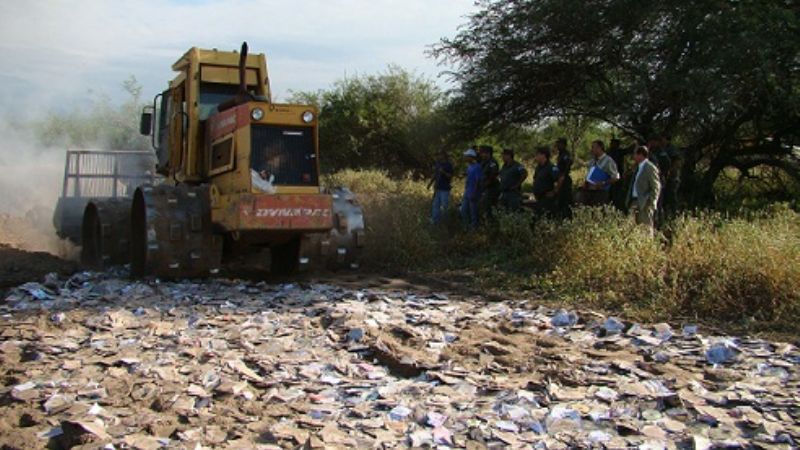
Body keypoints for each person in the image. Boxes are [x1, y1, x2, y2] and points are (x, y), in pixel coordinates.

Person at [627, 145, 661, 234]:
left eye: (635, 154)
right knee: (632, 227)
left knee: (645, 227)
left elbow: (656, 186)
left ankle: (648, 246)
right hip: (634, 201)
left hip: (645, 202)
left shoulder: (650, 167)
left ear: (641, 155)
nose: (633, 156)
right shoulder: (638, 167)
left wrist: (651, 202)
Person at [579, 140, 620, 206]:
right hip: (589, 192)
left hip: (601, 193)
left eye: (593, 147)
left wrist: (603, 183)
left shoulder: (608, 161)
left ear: (599, 148)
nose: (591, 149)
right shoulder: (593, 161)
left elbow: (616, 177)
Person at [531, 146, 559, 217]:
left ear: (543, 155)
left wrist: (554, 192)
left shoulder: (551, 167)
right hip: (538, 197)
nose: (536, 156)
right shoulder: (538, 167)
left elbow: (558, 180)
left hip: (547, 198)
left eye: (537, 154)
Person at [427, 151, 454, 225]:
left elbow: (450, 176)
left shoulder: (449, 165)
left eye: (440, 155)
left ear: (444, 156)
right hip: (437, 188)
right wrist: (430, 183)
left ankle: (446, 222)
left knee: (444, 206)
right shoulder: (438, 164)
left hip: (444, 189)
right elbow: (435, 175)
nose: (438, 157)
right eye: (437, 155)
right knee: (435, 205)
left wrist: (444, 172)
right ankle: (435, 221)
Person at [477, 145, 501, 221]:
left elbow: (493, 176)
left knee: (489, 207)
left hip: (492, 189)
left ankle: (491, 224)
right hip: (485, 188)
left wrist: (485, 185)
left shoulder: (492, 163)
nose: (481, 155)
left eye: (482, 153)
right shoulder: (483, 162)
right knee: (484, 207)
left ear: (488, 153)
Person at [660, 134, 682, 217]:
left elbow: (676, 161)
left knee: (672, 195)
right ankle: (665, 214)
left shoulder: (672, 149)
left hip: (672, 177)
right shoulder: (662, 149)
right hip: (664, 176)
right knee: (664, 196)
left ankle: (675, 213)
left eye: (663, 139)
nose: (661, 141)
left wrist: (670, 171)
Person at [460, 148, 482, 229]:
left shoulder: (477, 167)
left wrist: (474, 193)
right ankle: (466, 226)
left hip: (473, 193)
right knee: (463, 210)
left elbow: (478, 181)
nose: (464, 157)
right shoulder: (469, 167)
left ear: (471, 157)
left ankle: (473, 228)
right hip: (467, 192)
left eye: (466, 156)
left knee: (473, 212)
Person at [554, 138, 574, 219]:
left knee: (566, 199)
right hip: (560, 178)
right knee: (561, 199)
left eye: (559, 144)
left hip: (565, 179)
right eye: (557, 144)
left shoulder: (566, 154)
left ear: (564, 145)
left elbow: (568, 164)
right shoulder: (560, 154)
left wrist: (563, 175)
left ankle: (569, 217)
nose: (558, 145)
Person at [607, 138, 629, 211]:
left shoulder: (609, 152)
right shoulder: (617, 152)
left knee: (614, 194)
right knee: (616, 194)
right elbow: (628, 150)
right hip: (615, 176)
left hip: (612, 177)